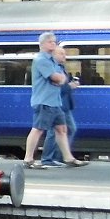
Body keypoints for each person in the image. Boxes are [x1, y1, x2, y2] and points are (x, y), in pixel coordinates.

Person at [21, 31, 87, 169]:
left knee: (61, 129)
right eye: (52, 42)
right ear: (44, 43)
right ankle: (28, 159)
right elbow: (57, 78)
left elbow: (61, 78)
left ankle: (68, 158)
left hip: (55, 101)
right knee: (38, 129)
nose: (54, 44)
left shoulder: (51, 60)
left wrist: (60, 79)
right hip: (44, 101)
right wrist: (59, 79)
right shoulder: (41, 60)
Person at [40, 44, 80, 165]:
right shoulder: (54, 69)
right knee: (55, 131)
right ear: (54, 55)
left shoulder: (60, 68)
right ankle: (49, 158)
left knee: (67, 129)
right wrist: (70, 86)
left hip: (64, 105)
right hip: (57, 104)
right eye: (61, 53)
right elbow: (57, 88)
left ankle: (60, 156)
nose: (65, 56)